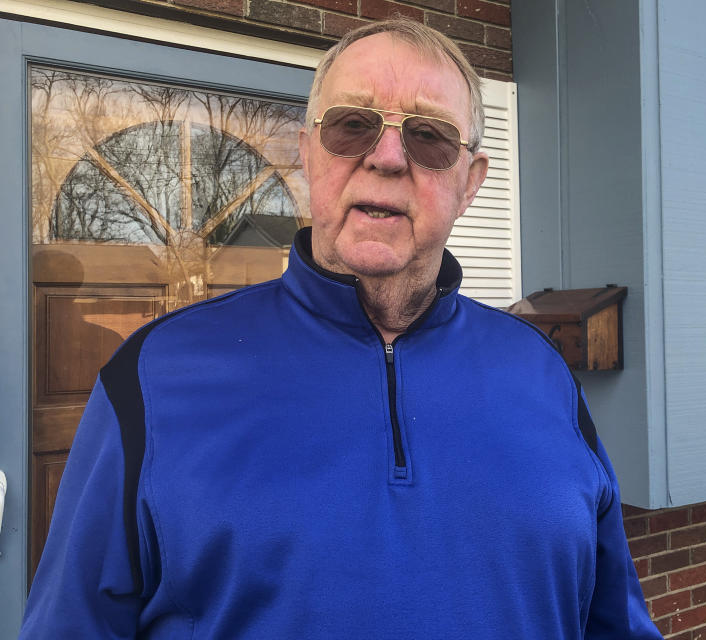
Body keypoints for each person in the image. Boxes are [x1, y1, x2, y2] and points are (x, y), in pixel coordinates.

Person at [20, 19, 663, 639]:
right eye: (352, 126)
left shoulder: (542, 373)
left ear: (470, 182)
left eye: (430, 136)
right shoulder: (153, 377)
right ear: (306, 154)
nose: (385, 157)